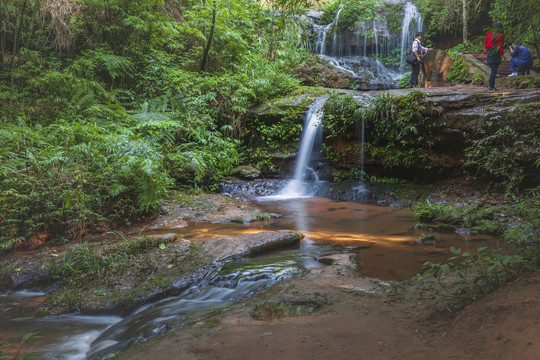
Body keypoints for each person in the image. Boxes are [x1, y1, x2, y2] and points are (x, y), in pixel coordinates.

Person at [483, 22, 504, 90]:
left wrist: (485, 51)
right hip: (496, 52)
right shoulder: (500, 35)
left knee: (493, 70)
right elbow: (499, 46)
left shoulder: (489, 34)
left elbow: (485, 43)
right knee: (494, 71)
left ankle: (492, 86)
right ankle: (491, 86)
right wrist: (502, 55)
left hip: (490, 52)